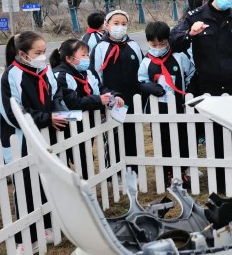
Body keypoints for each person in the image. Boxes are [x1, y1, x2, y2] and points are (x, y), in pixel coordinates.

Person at [170, 0, 232, 192]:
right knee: (216, 138)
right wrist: (191, 34)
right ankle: (220, 185)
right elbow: (175, 41)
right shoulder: (195, 16)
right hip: (210, 90)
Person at [0, 31, 68, 252]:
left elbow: (55, 95)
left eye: (44, 52)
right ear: (22, 54)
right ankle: (24, 238)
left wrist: (58, 112)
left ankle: (47, 226)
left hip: (46, 133)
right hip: (21, 139)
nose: (42, 57)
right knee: (25, 186)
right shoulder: (11, 76)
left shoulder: (44, 70)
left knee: (46, 181)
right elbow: (12, 112)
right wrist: (45, 118)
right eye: (37, 53)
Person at [50, 39, 124, 179]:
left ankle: (86, 186)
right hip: (67, 125)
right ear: (69, 58)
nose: (87, 58)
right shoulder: (61, 76)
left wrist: (114, 95)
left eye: (87, 55)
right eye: (83, 55)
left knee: (85, 157)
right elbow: (72, 103)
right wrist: (98, 100)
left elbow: (100, 89)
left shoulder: (87, 73)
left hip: (86, 123)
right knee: (68, 158)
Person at [138, 21, 194, 187]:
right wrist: (149, 87)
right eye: (153, 44)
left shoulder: (179, 57)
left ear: (168, 40)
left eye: (162, 43)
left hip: (179, 107)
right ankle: (166, 172)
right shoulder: (146, 62)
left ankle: (183, 170)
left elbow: (191, 74)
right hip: (158, 110)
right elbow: (140, 81)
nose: (158, 47)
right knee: (162, 140)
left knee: (182, 138)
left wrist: (188, 94)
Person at [89, 10, 143, 167]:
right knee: (114, 138)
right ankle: (116, 172)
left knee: (132, 136)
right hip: (113, 101)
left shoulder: (133, 46)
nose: (120, 27)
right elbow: (94, 76)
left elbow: (141, 71)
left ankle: (133, 170)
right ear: (106, 25)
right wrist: (106, 94)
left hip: (133, 100)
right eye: (116, 23)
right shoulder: (100, 48)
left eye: (124, 24)